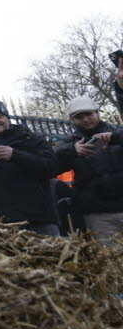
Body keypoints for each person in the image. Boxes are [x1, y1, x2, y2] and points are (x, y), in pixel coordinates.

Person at [0, 98, 59, 235]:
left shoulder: (30, 138)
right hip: (0, 224)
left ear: (7, 117)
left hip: (37, 221)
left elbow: (51, 168)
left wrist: (15, 155)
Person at [53, 96, 123, 245]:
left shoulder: (118, 133)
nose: (85, 119)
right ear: (72, 119)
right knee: (111, 257)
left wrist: (117, 138)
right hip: (98, 214)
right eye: (79, 117)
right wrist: (71, 150)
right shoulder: (70, 143)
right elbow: (49, 163)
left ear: (97, 112)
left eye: (89, 114)